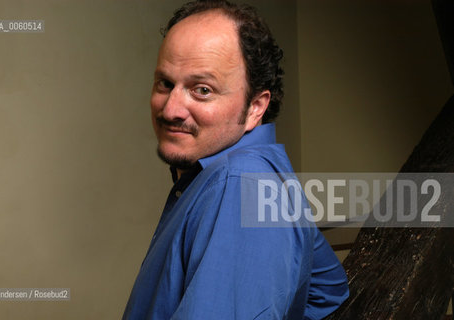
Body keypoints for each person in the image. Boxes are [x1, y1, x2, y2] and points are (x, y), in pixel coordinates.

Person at [122, 1, 349, 319]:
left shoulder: (242, 185)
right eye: (166, 83)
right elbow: (327, 290)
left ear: (256, 107)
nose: (171, 109)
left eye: (202, 90)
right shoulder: (243, 178)